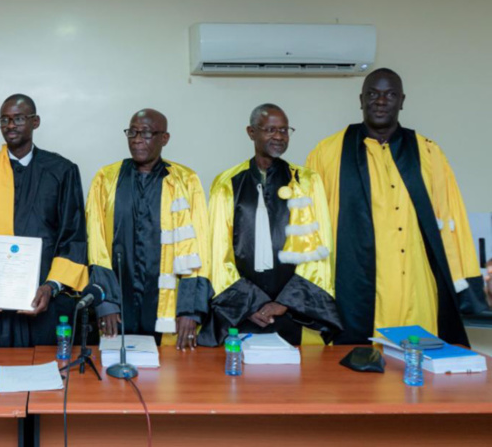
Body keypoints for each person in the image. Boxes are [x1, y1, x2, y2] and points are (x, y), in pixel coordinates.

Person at [307, 69, 488, 345]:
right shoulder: (327, 153)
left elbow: (453, 221)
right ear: (361, 99)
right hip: (354, 287)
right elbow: (310, 229)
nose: (381, 101)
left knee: (417, 372)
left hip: (416, 286)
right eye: (373, 94)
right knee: (354, 377)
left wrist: (469, 288)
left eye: (390, 94)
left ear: (402, 100)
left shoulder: (429, 153)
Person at [202, 104, 340, 346]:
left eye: (284, 130)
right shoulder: (227, 183)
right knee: (238, 375)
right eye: (270, 129)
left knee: (294, 377)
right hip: (242, 309)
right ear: (251, 132)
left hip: (293, 310)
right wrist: (250, 304)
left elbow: (319, 247)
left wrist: (285, 303)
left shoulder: (306, 181)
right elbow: (216, 252)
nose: (279, 136)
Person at [0, 94, 88, 347]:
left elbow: (73, 234)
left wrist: (51, 287)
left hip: (44, 299)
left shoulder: (62, 170)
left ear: (35, 122)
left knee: (48, 376)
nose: (10, 125)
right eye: (4, 120)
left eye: (18, 118)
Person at [87, 109, 211, 350]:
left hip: (168, 303)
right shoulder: (106, 178)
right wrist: (106, 303)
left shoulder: (186, 180)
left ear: (164, 138)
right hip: (118, 303)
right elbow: (96, 245)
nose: (136, 139)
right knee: (115, 371)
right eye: (132, 132)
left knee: (167, 378)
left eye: (145, 133)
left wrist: (191, 310)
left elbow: (200, 247)